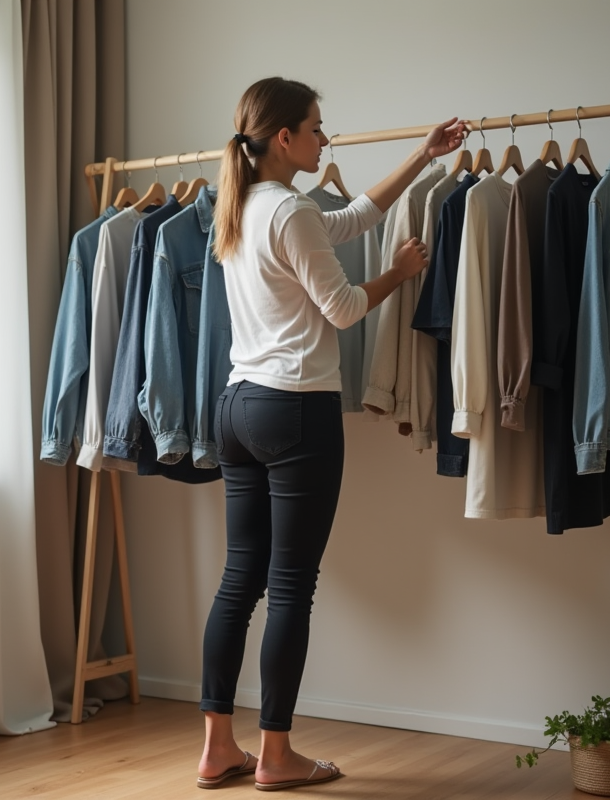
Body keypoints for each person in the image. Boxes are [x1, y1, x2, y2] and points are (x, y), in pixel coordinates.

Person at [196, 76, 465, 791]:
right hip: (294, 412)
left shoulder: (244, 204)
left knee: (238, 583)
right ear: (284, 137)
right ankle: (277, 756)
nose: (325, 138)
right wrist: (399, 274)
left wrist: (423, 154)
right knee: (289, 588)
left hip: (238, 408)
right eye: (317, 129)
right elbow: (344, 310)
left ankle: (217, 748)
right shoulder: (288, 211)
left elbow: (351, 219)